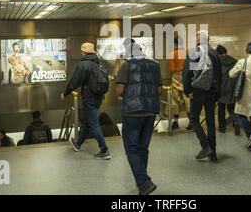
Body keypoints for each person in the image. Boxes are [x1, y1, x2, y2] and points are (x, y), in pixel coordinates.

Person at [115, 39, 163, 195]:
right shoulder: (155, 64)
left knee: (131, 147)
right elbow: (160, 90)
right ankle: (141, 180)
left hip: (133, 111)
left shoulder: (126, 64)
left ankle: (144, 182)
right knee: (143, 147)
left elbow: (119, 90)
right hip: (151, 111)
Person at [62, 42, 110, 160]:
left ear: (83, 52)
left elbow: (75, 81)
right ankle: (78, 144)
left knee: (93, 123)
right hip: (99, 97)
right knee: (89, 122)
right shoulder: (99, 63)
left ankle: (104, 151)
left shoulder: (84, 64)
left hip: (89, 98)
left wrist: (66, 92)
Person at [182, 30, 221, 161]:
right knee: (210, 121)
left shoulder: (194, 51)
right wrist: (217, 92)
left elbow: (187, 73)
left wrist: (188, 91)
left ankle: (205, 146)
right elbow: (219, 74)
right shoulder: (214, 53)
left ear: (198, 39)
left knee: (193, 119)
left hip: (197, 91)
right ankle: (213, 152)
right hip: (211, 91)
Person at [216, 45, 240, 135]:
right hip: (232, 88)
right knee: (231, 108)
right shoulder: (234, 61)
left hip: (221, 88)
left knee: (221, 109)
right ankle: (236, 122)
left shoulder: (217, 62)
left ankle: (222, 128)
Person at [168, 36, 191, 130]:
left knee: (175, 101)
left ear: (175, 44)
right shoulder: (188, 53)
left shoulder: (173, 54)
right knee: (188, 101)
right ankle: (192, 122)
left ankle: (175, 122)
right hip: (187, 78)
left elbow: (173, 70)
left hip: (177, 79)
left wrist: (179, 77)